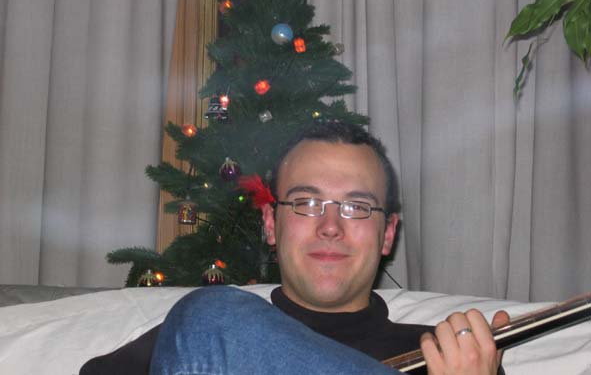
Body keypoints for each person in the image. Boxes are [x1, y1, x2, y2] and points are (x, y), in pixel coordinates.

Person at [81, 121, 508, 375]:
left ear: (388, 234)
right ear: (271, 223)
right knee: (211, 317)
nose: (330, 227)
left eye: (356, 207)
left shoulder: (450, 357)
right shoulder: (199, 339)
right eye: (306, 203)